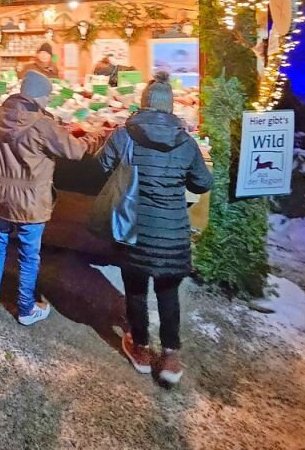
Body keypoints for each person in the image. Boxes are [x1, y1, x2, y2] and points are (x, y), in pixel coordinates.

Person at [97, 71, 212, 386]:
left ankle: (142, 349)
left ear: (144, 103)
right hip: (172, 232)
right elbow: (204, 182)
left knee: (135, 288)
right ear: (171, 107)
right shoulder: (186, 142)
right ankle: (171, 357)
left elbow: (101, 166)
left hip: (134, 228)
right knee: (168, 290)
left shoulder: (124, 134)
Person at [0, 70, 88, 325]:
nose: (47, 102)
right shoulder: (43, 124)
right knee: (28, 255)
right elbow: (75, 152)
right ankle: (26, 309)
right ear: (37, 96)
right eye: (46, 97)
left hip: (0, 196)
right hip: (32, 201)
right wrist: (92, 138)